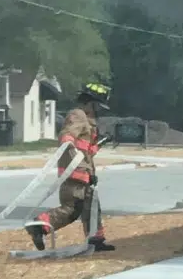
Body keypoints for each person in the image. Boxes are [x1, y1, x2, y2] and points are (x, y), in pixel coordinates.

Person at [24, 80, 115, 252]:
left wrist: (101, 143)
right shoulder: (78, 115)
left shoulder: (88, 122)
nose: (99, 111)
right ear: (89, 103)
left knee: (92, 208)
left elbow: (87, 151)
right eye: (97, 106)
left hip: (85, 172)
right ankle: (39, 226)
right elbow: (67, 136)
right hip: (75, 173)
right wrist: (72, 151)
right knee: (73, 209)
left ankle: (96, 240)